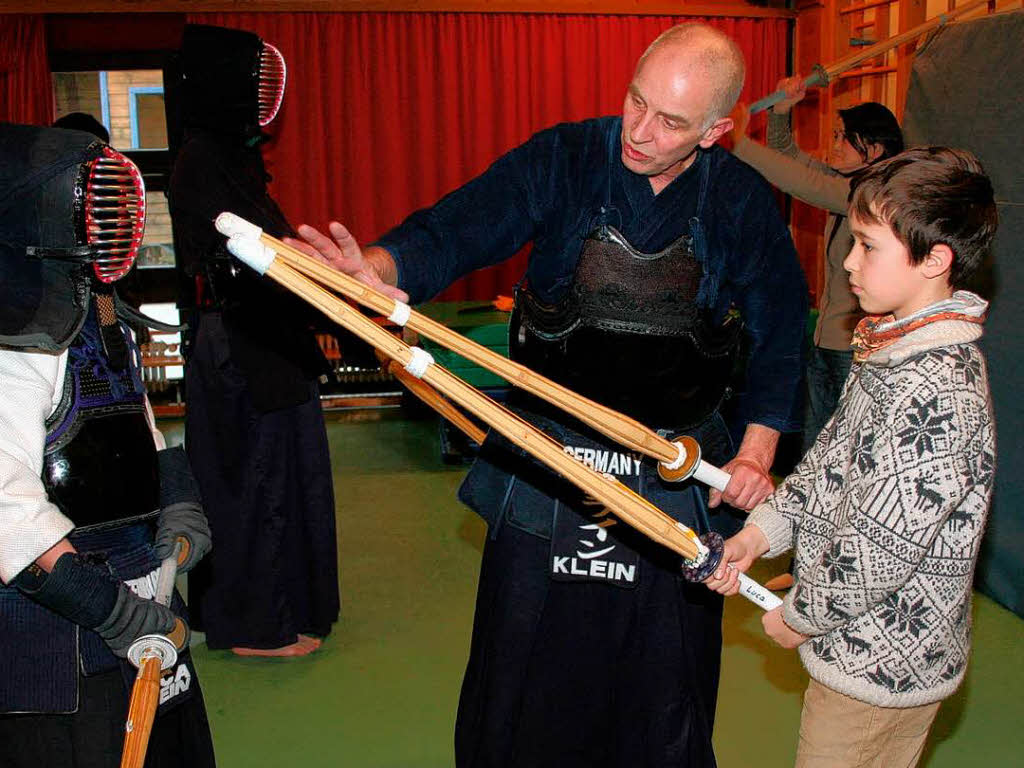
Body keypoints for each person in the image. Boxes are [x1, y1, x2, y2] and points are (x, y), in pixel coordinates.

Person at [292, 23, 807, 767]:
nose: (640, 130)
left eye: (671, 122)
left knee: (661, 683)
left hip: (675, 465)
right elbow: (458, 227)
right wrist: (378, 265)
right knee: (524, 672)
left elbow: (780, 327)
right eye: (636, 100)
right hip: (548, 457)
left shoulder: (742, 201)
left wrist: (757, 452)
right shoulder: (563, 158)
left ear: (718, 130)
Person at [705, 146, 998, 768]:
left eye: (868, 245)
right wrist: (759, 534)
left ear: (934, 260)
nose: (847, 261)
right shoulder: (892, 350)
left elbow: (881, 545)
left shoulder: (934, 388)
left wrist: (803, 615)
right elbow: (828, 468)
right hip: (857, 643)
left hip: (883, 664)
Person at [0, 123, 216, 766]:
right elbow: (7, 512)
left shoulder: (93, 312)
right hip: (59, 631)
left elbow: (138, 426)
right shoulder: (10, 353)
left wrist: (178, 500)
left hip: (141, 593)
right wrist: (109, 610)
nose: (114, 220)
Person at [167, 24, 340, 657]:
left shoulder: (229, 155)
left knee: (280, 472)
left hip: (261, 335)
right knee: (257, 478)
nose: (264, 93)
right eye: (251, 78)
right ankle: (259, 627)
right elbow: (245, 257)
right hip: (240, 343)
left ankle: (272, 608)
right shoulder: (202, 160)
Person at [731, 78, 903, 452]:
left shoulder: (872, 193)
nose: (834, 145)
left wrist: (738, 143)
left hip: (854, 352)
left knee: (844, 451)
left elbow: (801, 182)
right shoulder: (846, 183)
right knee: (814, 449)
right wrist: (782, 110)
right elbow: (788, 156)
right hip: (826, 343)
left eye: (843, 137)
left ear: (873, 149)